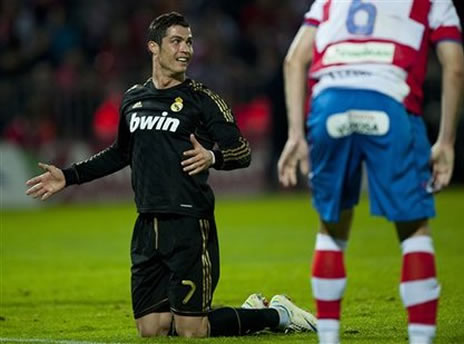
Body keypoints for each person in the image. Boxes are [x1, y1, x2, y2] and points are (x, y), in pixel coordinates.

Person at [25, 12, 316, 338]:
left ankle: (276, 315)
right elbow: (121, 153)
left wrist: (212, 156)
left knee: (192, 330)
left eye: (189, 42)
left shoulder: (202, 100)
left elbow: (242, 151)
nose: (186, 50)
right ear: (153, 47)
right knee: (153, 330)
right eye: (176, 41)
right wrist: (69, 176)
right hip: (148, 226)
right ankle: (250, 310)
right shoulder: (133, 99)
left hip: (189, 225)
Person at [277, 1, 464, 344]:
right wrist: (447, 141)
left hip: (329, 102)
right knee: (414, 231)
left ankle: (329, 339)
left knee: (332, 229)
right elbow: (453, 68)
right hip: (389, 101)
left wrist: (295, 135)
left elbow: (293, 60)